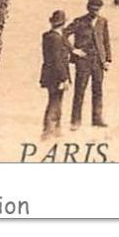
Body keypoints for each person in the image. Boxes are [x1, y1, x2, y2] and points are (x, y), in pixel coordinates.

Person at [66, 0, 111, 129]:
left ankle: (97, 118)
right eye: (92, 9)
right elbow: (63, 35)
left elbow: (106, 41)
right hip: (83, 61)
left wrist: (108, 59)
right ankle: (75, 120)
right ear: (88, 8)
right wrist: (73, 50)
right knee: (80, 90)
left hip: (98, 61)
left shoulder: (103, 22)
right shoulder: (79, 21)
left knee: (98, 90)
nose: (95, 12)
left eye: (97, 10)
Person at [39, 9, 71, 139]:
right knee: (55, 102)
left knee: (56, 101)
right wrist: (64, 78)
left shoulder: (48, 36)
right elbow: (58, 61)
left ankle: (56, 129)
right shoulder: (57, 39)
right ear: (63, 25)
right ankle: (48, 131)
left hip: (48, 74)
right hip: (56, 76)